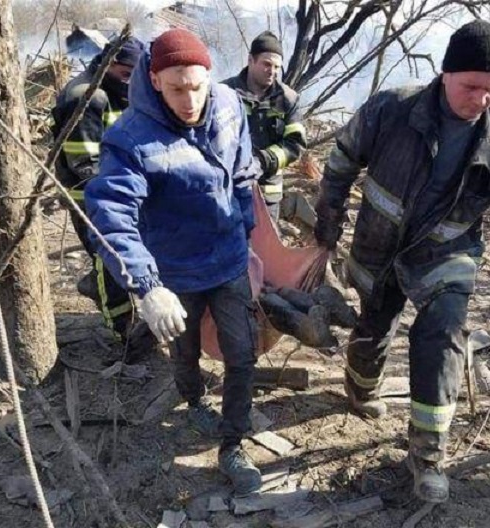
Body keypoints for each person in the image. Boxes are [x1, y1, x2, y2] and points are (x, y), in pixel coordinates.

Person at [313, 20, 490, 504]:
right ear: (445, 74)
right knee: (372, 331)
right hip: (378, 247)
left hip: (447, 255)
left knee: (441, 334)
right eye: (470, 86)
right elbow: (342, 157)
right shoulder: (392, 109)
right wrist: (330, 211)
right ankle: (360, 389)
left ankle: (427, 453)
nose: (480, 98)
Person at [84, 29, 263, 496]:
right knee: (184, 349)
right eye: (177, 88)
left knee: (243, 352)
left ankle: (232, 444)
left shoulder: (228, 103)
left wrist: (248, 238)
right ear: (155, 79)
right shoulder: (129, 139)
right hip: (175, 270)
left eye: (197, 87)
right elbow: (110, 216)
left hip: (227, 259)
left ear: (209, 79)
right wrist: (146, 285)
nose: (190, 101)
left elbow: (242, 174)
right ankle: (194, 398)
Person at [52, 36, 146, 341]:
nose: (132, 79)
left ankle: (98, 286)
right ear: (110, 63)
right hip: (89, 194)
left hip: (120, 190)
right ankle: (122, 328)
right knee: (109, 257)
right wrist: (121, 193)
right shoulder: (88, 96)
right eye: (126, 72)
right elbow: (84, 164)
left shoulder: (123, 90)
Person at [223, 31, 306, 220]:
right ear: (251, 60)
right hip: (229, 193)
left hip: (268, 197)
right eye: (267, 64)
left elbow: (295, 144)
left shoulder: (288, 99)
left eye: (277, 67)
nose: (272, 71)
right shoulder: (225, 93)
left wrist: (262, 161)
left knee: (265, 249)